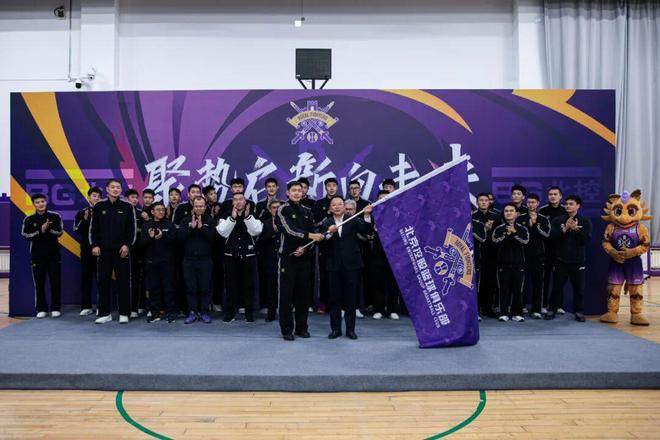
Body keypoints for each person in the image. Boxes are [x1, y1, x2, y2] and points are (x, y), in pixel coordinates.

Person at [276, 181, 325, 341]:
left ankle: (301, 328)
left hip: (304, 259)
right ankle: (286, 330)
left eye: (299, 190)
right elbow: (289, 230)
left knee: (303, 296)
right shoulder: (282, 209)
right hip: (287, 259)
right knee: (286, 297)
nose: (297, 193)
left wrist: (305, 248)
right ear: (287, 192)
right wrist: (310, 236)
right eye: (294, 190)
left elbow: (312, 234)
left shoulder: (307, 211)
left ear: (303, 192)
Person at [321, 196, 374, 340]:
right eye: (334, 205)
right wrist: (329, 233)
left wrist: (367, 215)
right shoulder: (326, 222)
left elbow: (367, 230)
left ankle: (350, 330)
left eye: (340, 204)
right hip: (333, 266)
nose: (337, 206)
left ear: (344, 207)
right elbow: (321, 243)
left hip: (352, 265)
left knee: (351, 298)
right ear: (330, 208)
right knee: (334, 299)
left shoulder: (353, 220)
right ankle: (335, 329)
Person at [90, 179, 137, 324]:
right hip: (103, 251)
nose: (116, 189)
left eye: (118, 187)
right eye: (113, 187)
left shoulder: (127, 206)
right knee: (103, 281)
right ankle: (105, 313)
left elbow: (132, 229)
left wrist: (127, 245)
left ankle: (124, 313)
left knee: (124, 282)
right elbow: (94, 228)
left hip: (122, 250)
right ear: (107, 189)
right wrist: (95, 245)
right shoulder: (99, 206)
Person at [545, 195, 592, 322]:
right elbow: (552, 237)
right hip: (561, 260)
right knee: (556, 287)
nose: (567, 206)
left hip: (578, 261)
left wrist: (575, 229)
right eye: (566, 204)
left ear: (578, 206)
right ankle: (552, 309)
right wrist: (565, 229)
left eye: (571, 204)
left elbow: (586, 240)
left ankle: (579, 311)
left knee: (579, 288)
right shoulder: (558, 220)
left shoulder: (585, 221)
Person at [217, 192, 263, 322]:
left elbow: (256, 231)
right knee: (231, 286)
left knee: (249, 286)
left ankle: (249, 313)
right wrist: (232, 219)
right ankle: (230, 313)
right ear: (232, 203)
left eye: (241, 199)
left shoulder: (252, 215)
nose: (238, 202)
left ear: (245, 202)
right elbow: (222, 232)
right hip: (230, 256)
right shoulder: (225, 215)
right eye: (235, 200)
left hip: (248, 256)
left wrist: (247, 217)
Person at [22, 193, 64, 318]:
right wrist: (41, 230)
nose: (41, 204)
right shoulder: (29, 219)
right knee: (39, 282)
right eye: (37, 202)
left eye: (42, 201)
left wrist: (48, 228)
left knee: (55, 282)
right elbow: (26, 235)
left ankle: (55, 308)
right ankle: (41, 308)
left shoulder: (55, 216)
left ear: (46, 202)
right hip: (37, 256)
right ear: (33, 204)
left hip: (53, 255)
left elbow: (60, 232)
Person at [178, 197, 216, 324]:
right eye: (196, 206)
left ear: (205, 207)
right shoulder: (185, 220)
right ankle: (192, 312)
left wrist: (202, 228)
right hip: (189, 260)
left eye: (201, 206)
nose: (199, 208)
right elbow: (179, 238)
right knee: (191, 288)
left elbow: (214, 239)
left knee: (205, 287)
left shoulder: (210, 221)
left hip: (205, 260)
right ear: (193, 207)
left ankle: (204, 312)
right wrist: (191, 228)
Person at [492, 203, 529, 322]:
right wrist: (507, 234)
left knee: (518, 290)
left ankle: (517, 313)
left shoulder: (522, 228)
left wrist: (515, 233)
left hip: (518, 264)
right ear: (503, 213)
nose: (509, 213)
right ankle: (504, 313)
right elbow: (495, 243)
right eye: (506, 211)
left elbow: (525, 242)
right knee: (503, 289)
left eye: (511, 211)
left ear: (516, 213)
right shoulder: (499, 228)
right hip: (503, 264)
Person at [141, 202, 177, 323]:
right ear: (152, 212)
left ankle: (170, 312)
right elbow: (142, 243)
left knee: (169, 288)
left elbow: (174, 240)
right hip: (151, 262)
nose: (161, 212)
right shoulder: (147, 225)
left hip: (167, 262)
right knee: (153, 289)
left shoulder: (169, 224)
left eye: (163, 209)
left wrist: (163, 236)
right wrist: (150, 237)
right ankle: (155, 313)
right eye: (158, 210)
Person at [369, 190, 401, 320]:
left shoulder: (396, 215)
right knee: (378, 284)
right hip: (377, 255)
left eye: (385, 198)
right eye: (380, 199)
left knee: (393, 284)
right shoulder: (372, 214)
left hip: (393, 255)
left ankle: (393, 309)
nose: (383, 201)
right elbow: (367, 230)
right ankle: (379, 309)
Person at [518, 194, 551, 319]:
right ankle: (521, 306)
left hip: (538, 256)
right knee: (522, 283)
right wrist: (528, 225)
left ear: (538, 203)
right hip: (523, 255)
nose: (531, 204)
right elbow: (519, 234)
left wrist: (536, 224)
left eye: (533, 202)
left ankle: (536, 309)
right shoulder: (520, 218)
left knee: (538, 284)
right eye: (529, 202)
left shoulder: (543, 219)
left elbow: (546, 235)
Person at [73, 186, 102, 316]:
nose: (96, 198)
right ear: (88, 197)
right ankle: (86, 306)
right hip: (86, 250)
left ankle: (101, 306)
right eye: (94, 196)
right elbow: (76, 230)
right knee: (86, 278)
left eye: (98, 196)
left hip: (101, 250)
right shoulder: (81, 212)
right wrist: (85, 220)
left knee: (101, 279)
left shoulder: (104, 212)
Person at [313, 177, 339, 314]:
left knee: (339, 276)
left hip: (339, 243)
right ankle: (323, 304)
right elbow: (314, 223)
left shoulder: (341, 201)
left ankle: (338, 304)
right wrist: (327, 216)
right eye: (329, 185)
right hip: (324, 243)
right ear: (325, 187)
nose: (332, 188)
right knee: (324, 275)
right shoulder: (319, 203)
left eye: (334, 185)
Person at [471, 193, 500, 318]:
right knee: (477, 283)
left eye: (486, 200)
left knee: (490, 282)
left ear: (489, 202)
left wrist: (490, 229)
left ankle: (488, 308)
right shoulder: (471, 217)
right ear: (477, 202)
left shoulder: (496, 217)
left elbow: (499, 234)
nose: (483, 202)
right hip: (476, 254)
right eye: (481, 200)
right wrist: (484, 229)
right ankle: (476, 309)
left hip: (492, 253)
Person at [539, 186, 565, 314]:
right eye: (550, 194)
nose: (552, 196)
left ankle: (558, 305)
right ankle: (543, 305)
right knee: (545, 279)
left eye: (555, 194)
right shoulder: (542, 210)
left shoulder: (565, 210)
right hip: (546, 251)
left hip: (561, 251)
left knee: (559, 279)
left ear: (560, 196)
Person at [258, 199, 282, 322]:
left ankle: (285, 311)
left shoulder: (287, 222)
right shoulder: (264, 223)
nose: (276, 210)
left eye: (278, 207)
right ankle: (271, 313)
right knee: (270, 287)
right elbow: (260, 242)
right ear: (269, 209)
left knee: (285, 287)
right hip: (269, 259)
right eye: (274, 208)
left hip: (284, 259)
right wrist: (273, 232)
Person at [203, 184, 224, 312]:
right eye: (211, 194)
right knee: (205, 276)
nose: (214, 195)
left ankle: (216, 301)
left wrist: (217, 215)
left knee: (218, 275)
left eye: (215, 193)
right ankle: (205, 303)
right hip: (205, 246)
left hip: (219, 246)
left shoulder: (221, 207)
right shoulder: (201, 208)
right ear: (205, 197)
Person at [125, 189, 145, 318]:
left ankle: (136, 307)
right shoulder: (120, 211)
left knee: (137, 278)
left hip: (137, 251)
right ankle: (124, 307)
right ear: (126, 198)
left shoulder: (140, 214)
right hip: (122, 250)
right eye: (132, 197)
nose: (135, 200)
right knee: (124, 279)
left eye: (136, 198)